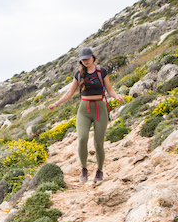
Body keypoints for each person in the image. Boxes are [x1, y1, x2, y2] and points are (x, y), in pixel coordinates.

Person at [48, 47, 123, 183]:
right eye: (83, 60)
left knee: (98, 143)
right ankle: (84, 169)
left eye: (88, 59)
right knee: (82, 139)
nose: (86, 61)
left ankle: (99, 171)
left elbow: (110, 89)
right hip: (84, 110)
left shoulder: (102, 72)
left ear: (93, 57)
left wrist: (117, 97)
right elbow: (69, 93)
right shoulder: (79, 74)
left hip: (100, 109)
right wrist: (56, 103)